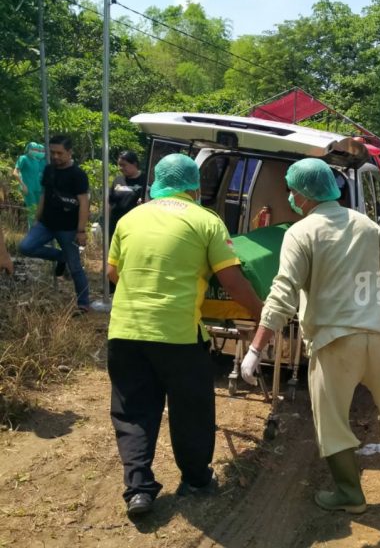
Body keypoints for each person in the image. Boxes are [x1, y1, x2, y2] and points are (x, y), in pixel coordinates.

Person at [241, 158, 380, 515]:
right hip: (377, 335)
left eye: (293, 191)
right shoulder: (367, 226)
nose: (292, 197)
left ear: (304, 194)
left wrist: (255, 347)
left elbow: (283, 292)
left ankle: (349, 494)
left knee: (333, 420)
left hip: (334, 340)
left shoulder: (302, 232)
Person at [106, 153, 263, 517]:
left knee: (133, 412)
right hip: (177, 334)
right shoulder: (206, 221)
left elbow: (113, 272)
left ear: (157, 182)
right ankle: (195, 479)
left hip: (125, 330)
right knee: (190, 408)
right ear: (194, 185)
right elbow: (232, 280)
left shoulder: (131, 218)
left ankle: (139, 490)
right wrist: (261, 312)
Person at [19, 135, 90, 314]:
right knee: (26, 247)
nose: (56, 156)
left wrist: (81, 230)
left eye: (60, 153)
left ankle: (83, 303)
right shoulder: (49, 169)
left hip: (68, 228)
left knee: (75, 267)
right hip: (46, 224)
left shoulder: (78, 175)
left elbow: (84, 203)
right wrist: (37, 219)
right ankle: (61, 257)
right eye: (53, 153)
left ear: (69, 152)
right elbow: (44, 195)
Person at [108, 150, 146, 241]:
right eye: (119, 165)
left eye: (124, 165)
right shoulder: (118, 180)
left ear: (134, 164)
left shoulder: (145, 180)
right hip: (115, 225)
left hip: (134, 226)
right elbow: (110, 202)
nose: (120, 168)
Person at [12, 142, 47, 228]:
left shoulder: (36, 160)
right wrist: (23, 185)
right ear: (28, 149)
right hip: (28, 188)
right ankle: (32, 233)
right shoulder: (23, 158)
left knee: (40, 210)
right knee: (32, 211)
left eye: (36, 149)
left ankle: (39, 232)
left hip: (38, 188)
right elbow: (15, 173)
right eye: (33, 149)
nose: (35, 151)